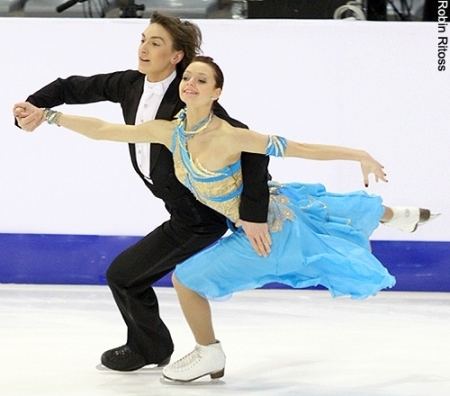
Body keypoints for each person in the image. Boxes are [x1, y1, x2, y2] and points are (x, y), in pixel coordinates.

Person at [14, 56, 435, 383]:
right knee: (333, 210)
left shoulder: (231, 135)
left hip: (270, 228)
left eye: (201, 80)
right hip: (276, 205)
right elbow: (107, 130)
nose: (190, 84)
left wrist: (357, 153)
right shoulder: (170, 130)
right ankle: (398, 214)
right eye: (187, 78)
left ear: (216, 92)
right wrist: (51, 116)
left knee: (186, 280)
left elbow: (299, 147)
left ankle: (208, 351)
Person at [13, 14, 272, 372]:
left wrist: (254, 212)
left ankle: (152, 347)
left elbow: (252, 146)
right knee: (128, 276)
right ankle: (152, 345)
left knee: (124, 275)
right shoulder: (130, 84)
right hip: (181, 211)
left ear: (177, 56)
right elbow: (73, 87)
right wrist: (35, 108)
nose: (144, 48)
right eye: (142, 39)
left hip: (200, 217)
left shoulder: (189, 96)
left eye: (155, 43)